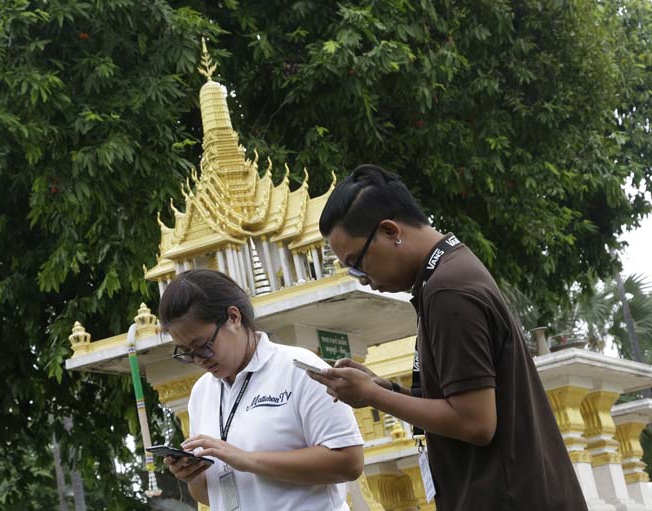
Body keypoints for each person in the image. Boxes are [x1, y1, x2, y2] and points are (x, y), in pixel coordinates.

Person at [311, 164, 587, 510]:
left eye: (357, 263)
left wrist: (371, 396)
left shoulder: (448, 290)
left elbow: (476, 422)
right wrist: (386, 389)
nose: (361, 278)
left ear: (390, 231)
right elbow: (460, 401)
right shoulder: (450, 270)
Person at [159, 269, 364, 511]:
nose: (198, 360)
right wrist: (192, 475)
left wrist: (247, 460)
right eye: (186, 352)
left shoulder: (298, 369)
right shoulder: (202, 392)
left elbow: (349, 462)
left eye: (202, 346)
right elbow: (212, 495)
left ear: (233, 318)